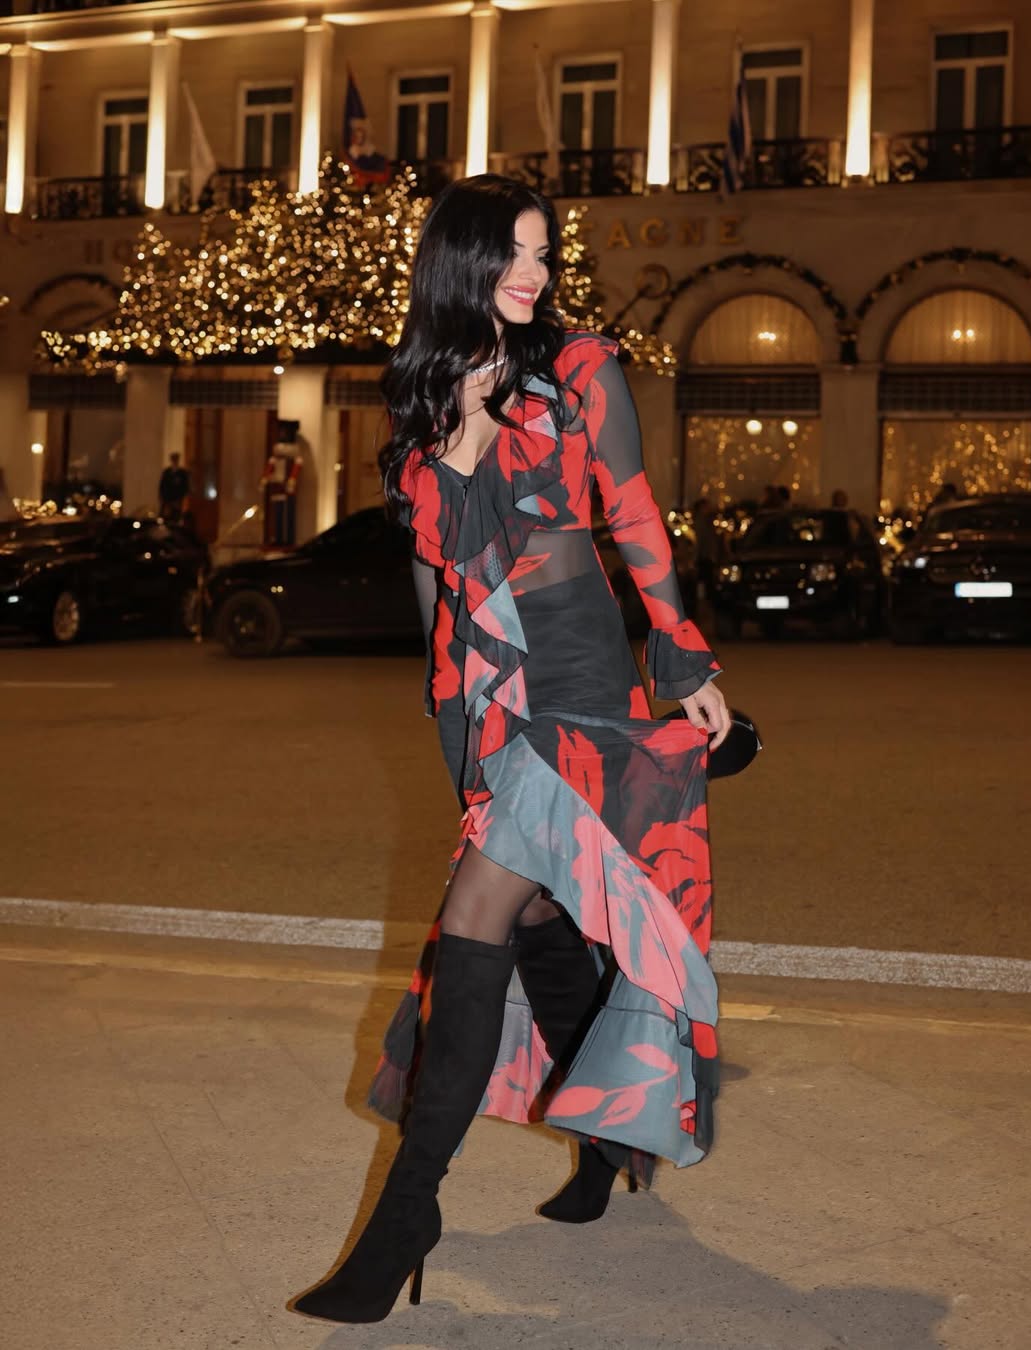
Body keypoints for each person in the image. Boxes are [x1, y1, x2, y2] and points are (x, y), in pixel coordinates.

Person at [290, 176, 731, 1327]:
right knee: (540, 915)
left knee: (478, 915)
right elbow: (437, 563)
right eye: (514, 254)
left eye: (544, 253)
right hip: (480, 692)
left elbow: (632, 510)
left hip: (575, 670)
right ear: (461, 263)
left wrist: (682, 657)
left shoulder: (580, 367)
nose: (534, 273)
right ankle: (601, 1145)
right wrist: (470, 427)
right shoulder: (428, 392)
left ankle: (405, 1217)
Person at [157, 453, 190, 524]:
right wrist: (162, 496)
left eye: (176, 459)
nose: (175, 461)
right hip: (167, 499)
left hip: (177, 499)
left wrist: (182, 498)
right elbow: (162, 485)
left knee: (176, 517)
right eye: (173, 459)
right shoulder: (167, 472)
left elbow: (185, 487)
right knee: (164, 517)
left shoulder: (182, 473)